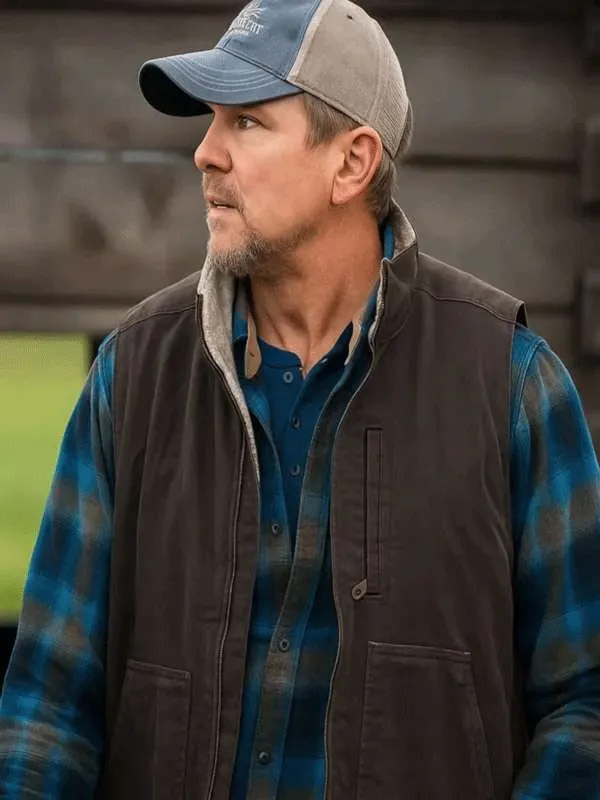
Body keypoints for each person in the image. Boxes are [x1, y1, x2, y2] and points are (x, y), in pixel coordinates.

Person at [1, 0, 600, 797]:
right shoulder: (132, 375)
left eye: (247, 122)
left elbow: (584, 704)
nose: (205, 152)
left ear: (351, 163)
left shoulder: (514, 386)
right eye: (212, 120)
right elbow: (48, 707)